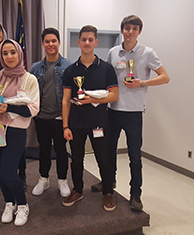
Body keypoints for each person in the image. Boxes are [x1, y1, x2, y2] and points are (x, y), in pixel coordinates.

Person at [92, 15, 170, 211]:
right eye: (127, 28)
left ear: (139, 32)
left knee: (135, 156)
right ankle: (109, 183)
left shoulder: (148, 53)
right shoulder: (113, 52)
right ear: (122, 30)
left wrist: (142, 83)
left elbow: (165, 77)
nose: (130, 32)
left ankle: (136, 194)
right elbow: (107, 78)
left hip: (134, 113)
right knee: (108, 152)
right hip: (113, 110)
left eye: (134, 29)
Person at [62, 25, 118, 212]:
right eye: (83, 39)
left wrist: (91, 100)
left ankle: (108, 192)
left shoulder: (107, 69)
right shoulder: (70, 71)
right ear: (79, 42)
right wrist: (65, 126)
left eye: (90, 39)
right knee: (76, 160)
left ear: (96, 42)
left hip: (99, 123)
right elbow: (65, 100)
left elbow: (114, 96)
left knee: (103, 158)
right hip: (76, 125)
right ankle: (78, 190)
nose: (87, 43)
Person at [0, 39, 39, 226]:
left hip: (15, 130)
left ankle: (23, 205)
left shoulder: (29, 79)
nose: (9, 56)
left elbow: (32, 109)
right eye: (5, 53)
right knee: (0, 174)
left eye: (12, 52)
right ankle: (9, 203)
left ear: (19, 53)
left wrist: (7, 108)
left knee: (8, 173)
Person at [0, 20, 27, 194]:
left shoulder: (25, 75)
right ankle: (2, 179)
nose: (9, 56)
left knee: (15, 155)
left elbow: (29, 103)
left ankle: (20, 176)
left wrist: (9, 107)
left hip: (15, 122)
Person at [30, 28, 72, 197]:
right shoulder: (35, 68)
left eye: (54, 41)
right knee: (44, 150)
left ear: (59, 42)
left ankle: (62, 180)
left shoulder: (69, 66)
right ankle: (44, 179)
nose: (50, 44)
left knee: (61, 151)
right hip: (41, 118)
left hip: (61, 118)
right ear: (43, 44)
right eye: (47, 41)